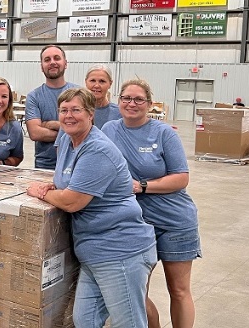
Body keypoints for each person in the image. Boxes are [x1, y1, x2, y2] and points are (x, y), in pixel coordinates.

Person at [27, 88, 157, 328]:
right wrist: (54, 186)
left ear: (90, 114)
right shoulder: (67, 138)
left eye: (76, 110)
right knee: (85, 320)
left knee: (128, 323)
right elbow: (68, 180)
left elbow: (72, 201)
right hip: (92, 252)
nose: (69, 116)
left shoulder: (98, 149)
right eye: (64, 110)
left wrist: (41, 193)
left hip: (119, 251)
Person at [102, 79, 201, 328]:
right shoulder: (110, 130)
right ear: (119, 101)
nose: (131, 104)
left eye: (138, 99)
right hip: (136, 224)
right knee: (136, 292)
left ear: (149, 104)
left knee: (178, 290)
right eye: (126, 98)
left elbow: (181, 178)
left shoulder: (163, 132)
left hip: (174, 221)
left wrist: (142, 186)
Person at [25, 45, 79, 169]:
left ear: (65, 63)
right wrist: (71, 132)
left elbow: (86, 130)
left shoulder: (79, 93)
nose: (52, 62)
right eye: (47, 59)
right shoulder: (34, 96)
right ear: (41, 66)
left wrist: (51, 125)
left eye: (57, 58)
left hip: (75, 163)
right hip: (44, 165)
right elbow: (35, 133)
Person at [85, 64, 121, 129]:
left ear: (110, 84)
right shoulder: (76, 111)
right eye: (92, 81)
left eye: (102, 81)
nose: (96, 85)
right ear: (86, 82)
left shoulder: (119, 113)